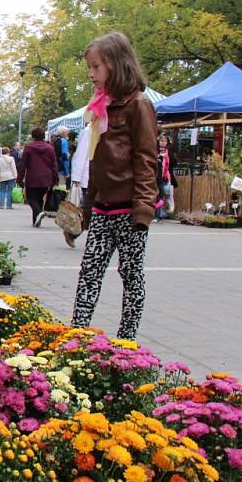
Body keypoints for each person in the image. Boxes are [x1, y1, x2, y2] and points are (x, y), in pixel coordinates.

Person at [71, 31, 159, 340]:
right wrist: (85, 209)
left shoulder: (139, 105)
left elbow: (147, 160)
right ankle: (76, 336)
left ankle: (127, 341)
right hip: (102, 207)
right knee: (89, 274)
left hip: (129, 208)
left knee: (131, 276)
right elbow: (94, 163)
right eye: (90, 68)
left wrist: (143, 211)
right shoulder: (100, 108)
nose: (92, 74)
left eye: (96, 67)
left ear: (116, 65)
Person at [17, 127, 58, 226]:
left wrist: (19, 178)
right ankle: (36, 221)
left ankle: (39, 213)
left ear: (33, 136)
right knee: (39, 198)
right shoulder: (50, 148)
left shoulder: (29, 147)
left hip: (33, 176)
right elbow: (54, 164)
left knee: (31, 198)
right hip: (46, 177)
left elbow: (23, 164)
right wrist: (55, 178)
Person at [63, 123, 92, 247]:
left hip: (105, 177)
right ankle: (72, 232)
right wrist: (77, 177)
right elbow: (81, 155)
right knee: (90, 210)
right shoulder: (89, 131)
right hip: (90, 177)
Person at [155, 134, 177, 220]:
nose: (163, 143)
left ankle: (167, 212)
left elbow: (174, 163)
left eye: (165, 141)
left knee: (167, 194)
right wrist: (160, 157)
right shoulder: (156, 150)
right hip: (157, 176)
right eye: (161, 141)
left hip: (167, 176)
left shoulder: (169, 151)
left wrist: (168, 156)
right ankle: (158, 214)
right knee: (159, 194)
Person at [0, 145, 18, 209]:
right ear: (8, 152)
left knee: (2, 191)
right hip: (10, 176)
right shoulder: (11, 159)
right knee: (10, 191)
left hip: (2, 177)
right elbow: (13, 168)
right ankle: (9, 205)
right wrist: (15, 176)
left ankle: (1, 205)